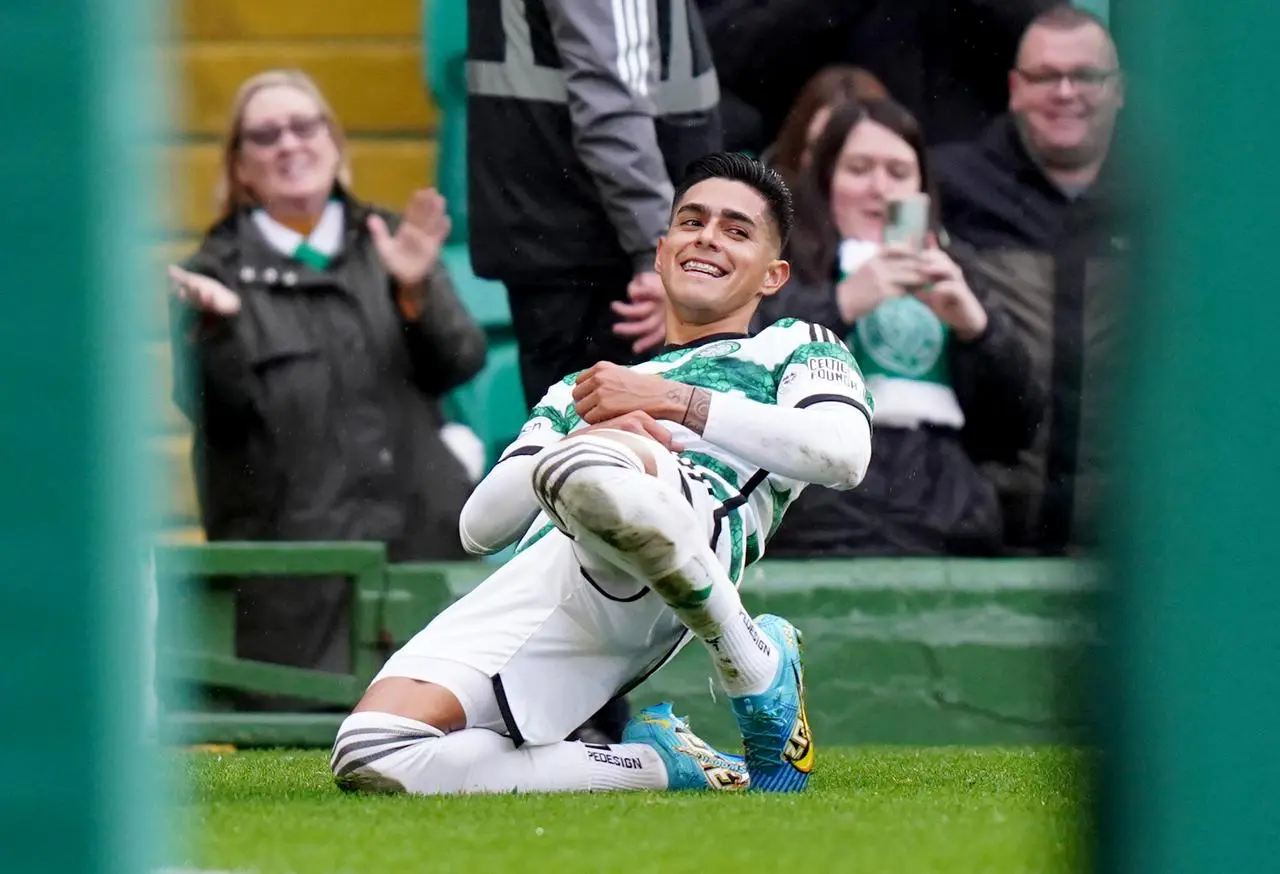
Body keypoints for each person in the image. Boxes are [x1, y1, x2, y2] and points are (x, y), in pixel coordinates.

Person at [330, 152, 875, 795]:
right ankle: (660, 765)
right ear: (663, 247)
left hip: (683, 543)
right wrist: (595, 429)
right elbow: (478, 528)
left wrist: (672, 406)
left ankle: (750, 663)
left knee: (600, 464)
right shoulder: (583, 390)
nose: (707, 237)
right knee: (371, 754)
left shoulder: (794, 344)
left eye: (736, 230)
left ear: (772, 274)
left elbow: (845, 456)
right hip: (548, 572)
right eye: (692, 221)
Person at [167, 70, 487, 704]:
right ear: (240, 167)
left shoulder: (390, 243)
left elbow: (459, 362)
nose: (289, 144)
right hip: (299, 592)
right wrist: (217, 332)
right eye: (264, 135)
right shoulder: (211, 277)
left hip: (418, 555)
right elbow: (218, 417)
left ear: (335, 144)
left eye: (303, 126)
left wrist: (414, 292)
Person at [756, 98, 1041, 556]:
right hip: (817, 515)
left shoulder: (956, 266)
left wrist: (978, 330)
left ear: (922, 190)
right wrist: (839, 304)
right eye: (859, 168)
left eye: (898, 172)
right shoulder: (782, 263)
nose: (879, 188)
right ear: (826, 179)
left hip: (946, 516)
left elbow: (1017, 428)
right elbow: (740, 372)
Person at [931, 5, 1126, 554]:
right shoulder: (951, 188)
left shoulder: (1162, 200)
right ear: (1015, 88)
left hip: (1126, 546)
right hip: (980, 534)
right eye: (1045, 76)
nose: (1065, 92)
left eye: (1085, 75)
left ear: (1119, 90)